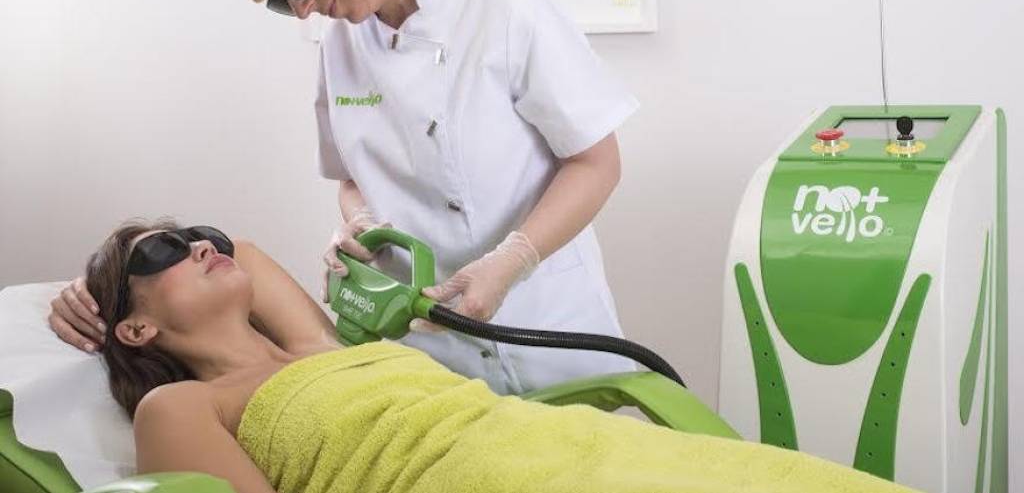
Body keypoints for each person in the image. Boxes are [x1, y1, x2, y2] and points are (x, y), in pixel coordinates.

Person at [50, 0, 637, 396]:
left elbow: (595, 161)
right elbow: (352, 178)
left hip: (545, 323)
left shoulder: (504, 2)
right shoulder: (340, 44)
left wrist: (512, 260)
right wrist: (360, 222)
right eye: (280, 2)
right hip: (425, 354)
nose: (301, 8)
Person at [74, 219, 916, 493]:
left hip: (566, 447)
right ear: (135, 330)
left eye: (202, 235)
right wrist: (83, 294)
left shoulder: (314, 345)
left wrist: (143, 269)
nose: (201, 246)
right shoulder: (180, 406)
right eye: (162, 252)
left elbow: (250, 253)